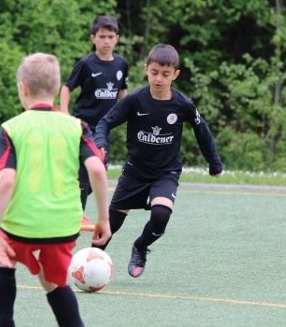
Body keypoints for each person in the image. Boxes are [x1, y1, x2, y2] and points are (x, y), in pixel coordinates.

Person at [0, 53, 111, 327]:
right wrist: (103, 219)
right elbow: (97, 170)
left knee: (3, 264)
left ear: (22, 88)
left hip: (21, 224)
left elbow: (6, 181)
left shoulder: (12, 128)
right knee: (55, 283)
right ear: (57, 90)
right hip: (62, 226)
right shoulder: (76, 126)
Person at [91, 43, 223, 278]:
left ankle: (140, 246)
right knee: (110, 225)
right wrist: (101, 142)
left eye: (165, 74)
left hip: (166, 172)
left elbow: (202, 131)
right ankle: (90, 263)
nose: (158, 78)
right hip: (135, 171)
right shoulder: (135, 100)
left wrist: (214, 163)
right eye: (154, 72)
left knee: (161, 214)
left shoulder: (182, 104)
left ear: (175, 74)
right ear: (146, 69)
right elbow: (105, 122)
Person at [60, 16, 129, 225]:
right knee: (86, 169)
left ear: (117, 38)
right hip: (84, 125)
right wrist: (64, 112)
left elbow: (122, 92)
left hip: (104, 127)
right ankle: (78, 214)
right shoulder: (86, 64)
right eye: (102, 36)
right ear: (93, 38)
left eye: (110, 37)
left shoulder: (121, 64)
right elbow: (67, 87)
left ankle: (69, 201)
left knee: (100, 170)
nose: (106, 41)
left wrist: (130, 114)